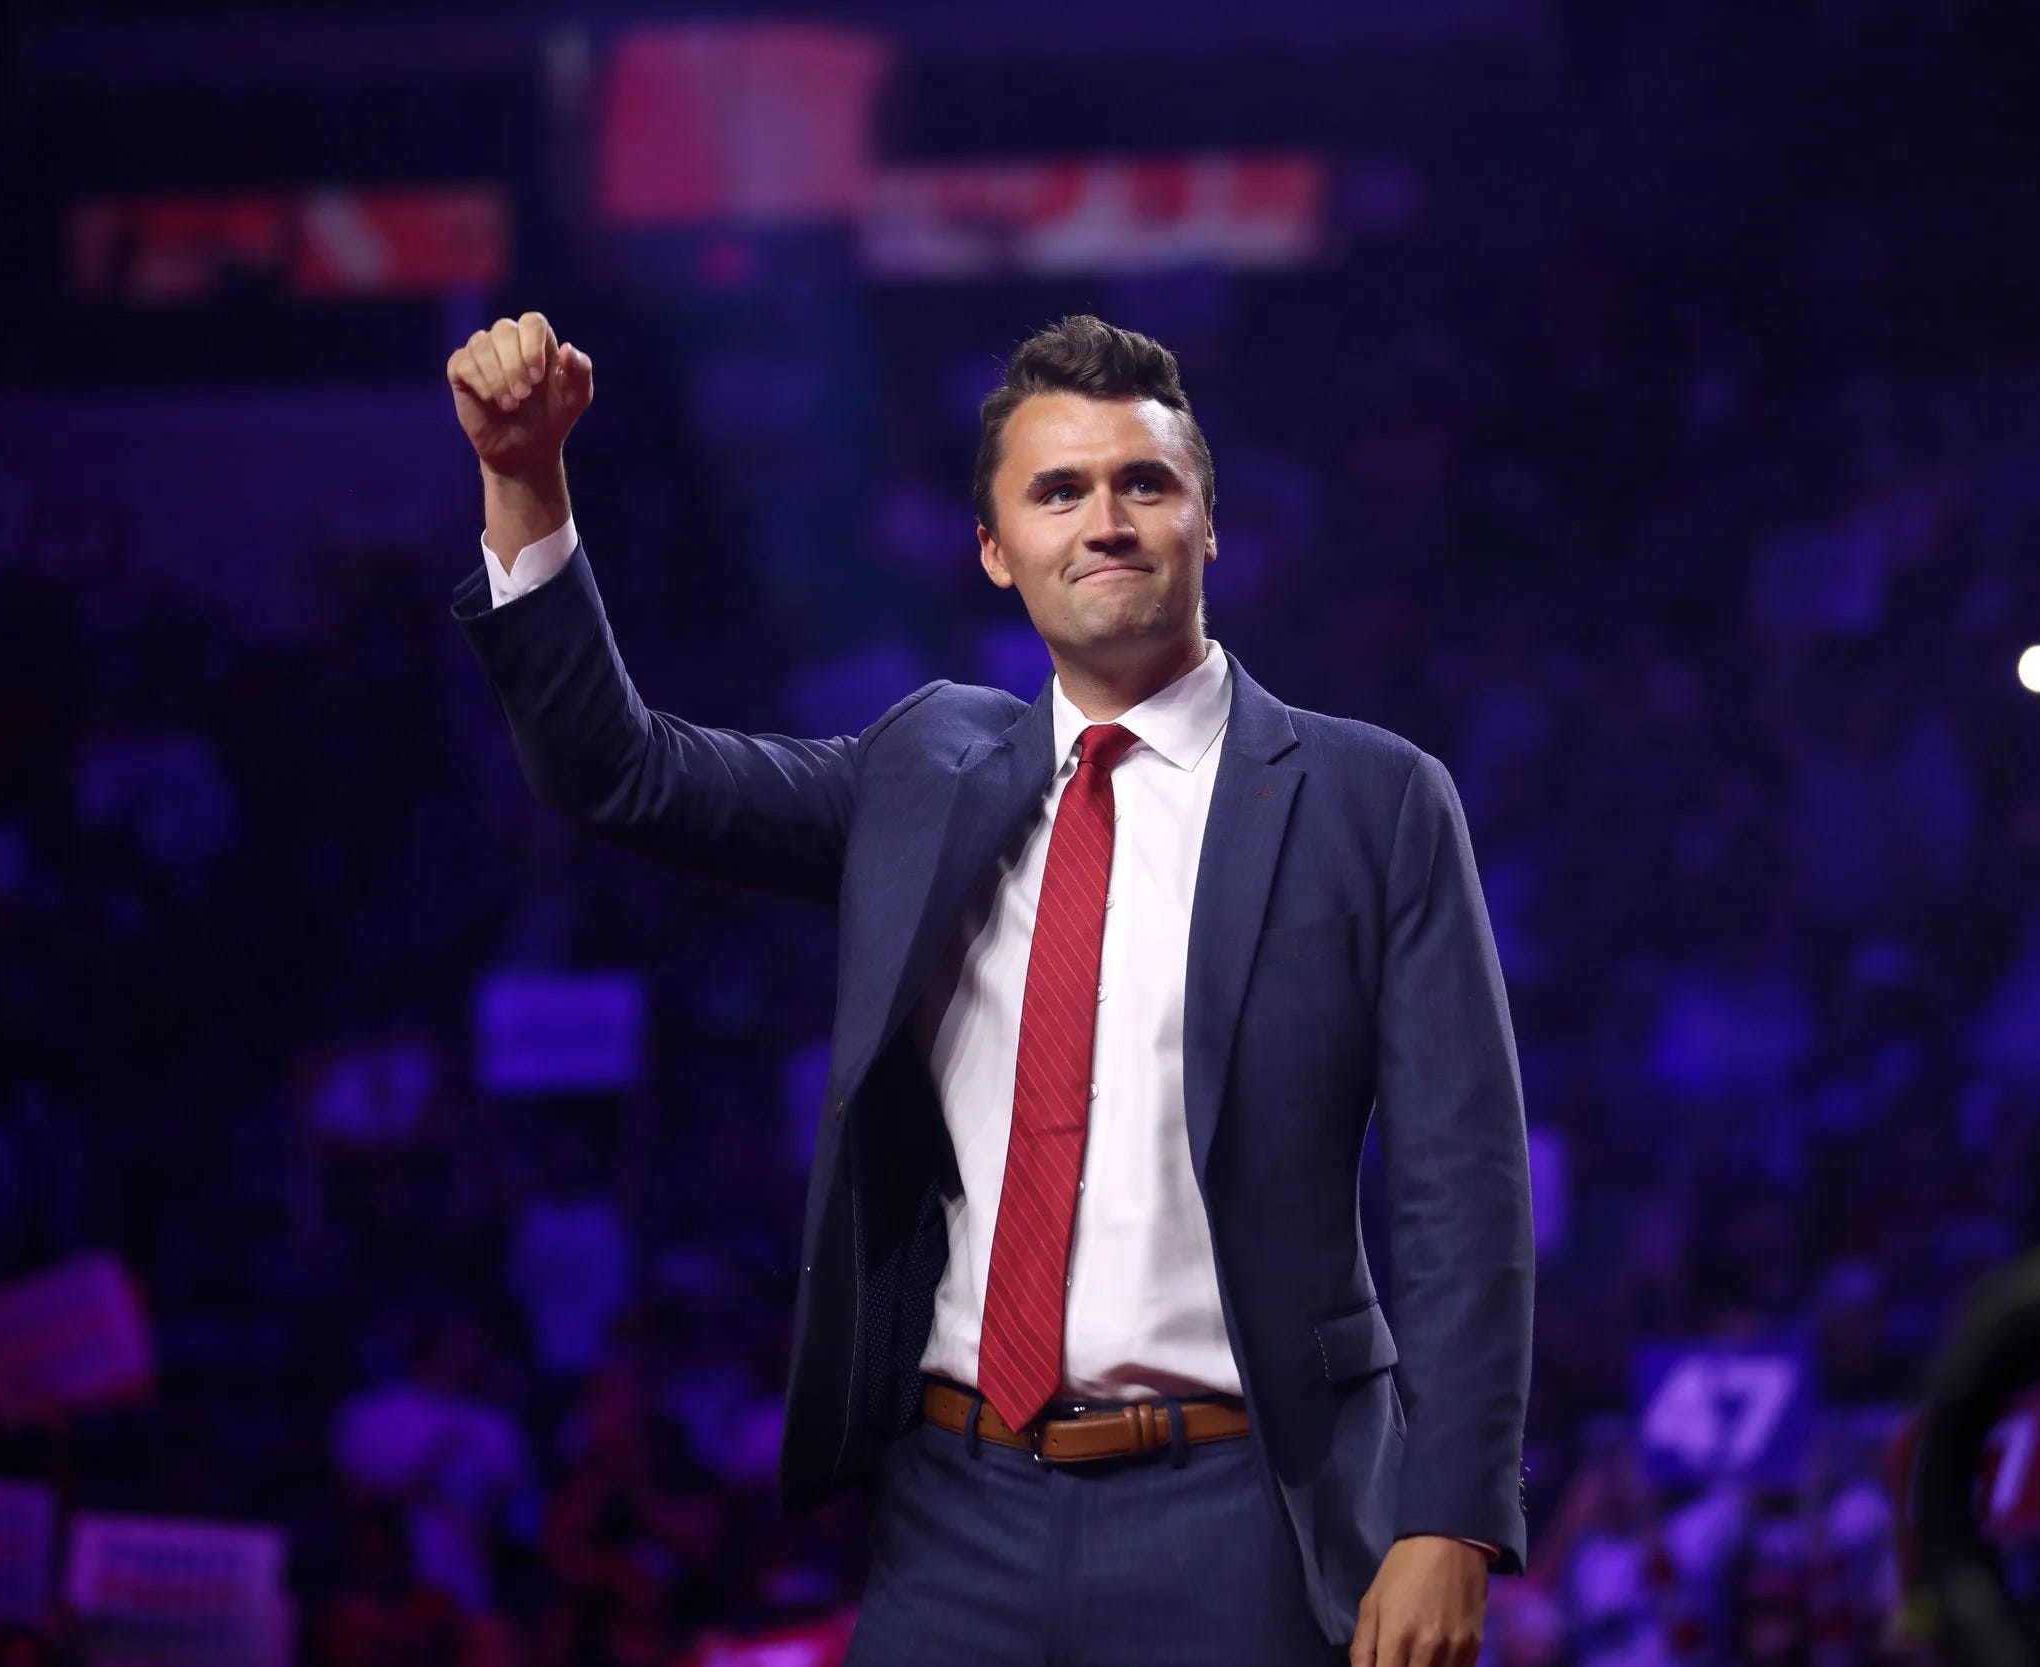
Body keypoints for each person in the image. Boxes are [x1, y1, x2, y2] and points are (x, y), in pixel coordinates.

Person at [445, 310, 1535, 1665]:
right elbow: (617, 772)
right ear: (995, 550)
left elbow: (1462, 1184)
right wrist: (525, 483)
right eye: (1057, 492)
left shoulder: (1372, 799)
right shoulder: (920, 772)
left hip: (1245, 1510)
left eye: (1145, 484)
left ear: (1209, 524)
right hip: (956, 1516)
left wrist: (1450, 1519)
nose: (1106, 522)